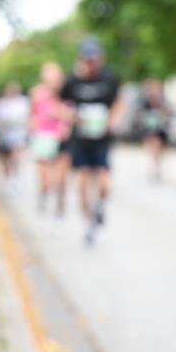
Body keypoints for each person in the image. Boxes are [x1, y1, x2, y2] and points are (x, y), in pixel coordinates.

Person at [61, 37, 126, 245]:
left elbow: (119, 103)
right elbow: (61, 104)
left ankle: (100, 206)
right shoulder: (73, 79)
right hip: (80, 139)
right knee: (82, 183)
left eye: (94, 59)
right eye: (87, 59)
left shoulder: (109, 77)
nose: (90, 63)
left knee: (104, 183)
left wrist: (113, 120)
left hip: (101, 139)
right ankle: (88, 224)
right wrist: (71, 116)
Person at [30, 62, 70, 214]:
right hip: (43, 137)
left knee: (61, 177)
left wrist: (64, 122)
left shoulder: (65, 93)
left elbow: (69, 113)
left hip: (61, 137)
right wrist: (33, 126)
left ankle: (60, 201)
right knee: (45, 176)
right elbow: (32, 114)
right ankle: (44, 193)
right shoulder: (36, 93)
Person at [0, 83, 31, 182]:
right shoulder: (1, 103)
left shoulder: (23, 101)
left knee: (16, 153)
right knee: (5, 156)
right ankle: (7, 175)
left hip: (19, 134)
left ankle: (15, 172)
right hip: (4, 134)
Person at [139, 77, 171, 183]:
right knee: (151, 147)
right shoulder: (145, 101)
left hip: (160, 128)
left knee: (159, 149)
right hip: (149, 128)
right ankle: (153, 168)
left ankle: (156, 167)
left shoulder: (163, 100)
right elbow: (141, 114)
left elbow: (168, 113)